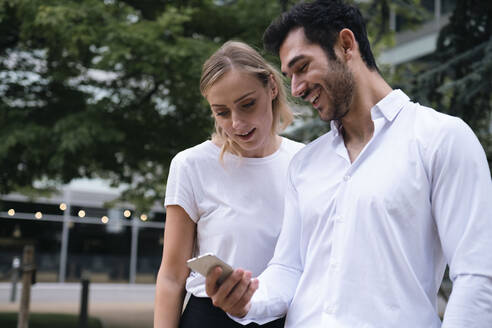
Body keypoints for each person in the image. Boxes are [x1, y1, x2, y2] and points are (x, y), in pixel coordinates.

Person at [205, 1, 492, 327]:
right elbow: (290, 268)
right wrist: (247, 300)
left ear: (345, 44)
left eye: (302, 67)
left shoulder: (441, 139)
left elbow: (478, 276)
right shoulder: (305, 165)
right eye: (289, 75)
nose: (295, 88)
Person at [153, 41, 304, 328]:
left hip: (286, 318)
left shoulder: (305, 162)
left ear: (271, 87)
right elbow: (172, 276)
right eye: (222, 112)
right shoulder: (190, 165)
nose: (237, 123)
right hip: (210, 318)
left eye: (247, 104)